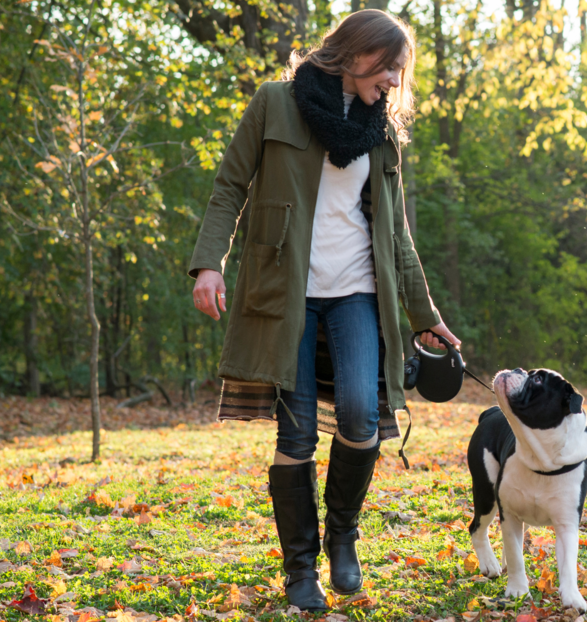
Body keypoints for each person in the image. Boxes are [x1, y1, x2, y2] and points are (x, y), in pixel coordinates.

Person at [188, 10, 458, 612]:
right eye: (388, 66)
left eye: (399, 71)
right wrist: (210, 262)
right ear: (355, 53)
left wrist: (424, 313)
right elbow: (230, 185)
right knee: (298, 432)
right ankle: (300, 570)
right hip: (285, 296)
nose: (394, 80)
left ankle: (343, 537)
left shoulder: (381, 130)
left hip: (359, 293)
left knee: (363, 416)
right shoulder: (275, 103)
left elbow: (398, 234)